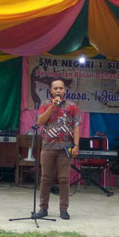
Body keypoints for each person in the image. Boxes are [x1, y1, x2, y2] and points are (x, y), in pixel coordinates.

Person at [36, 78, 80, 220]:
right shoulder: (44, 105)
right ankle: (43, 208)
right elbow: (39, 122)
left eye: (61, 88)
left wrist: (76, 145)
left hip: (66, 147)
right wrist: (52, 107)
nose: (58, 90)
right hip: (48, 146)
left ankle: (64, 209)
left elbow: (76, 126)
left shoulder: (72, 106)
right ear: (51, 90)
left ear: (65, 90)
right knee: (45, 178)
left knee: (64, 179)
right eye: (56, 88)